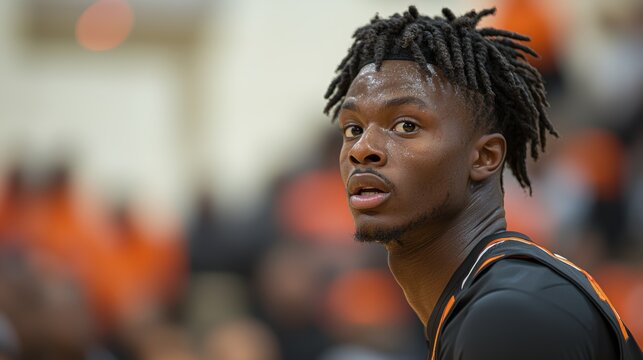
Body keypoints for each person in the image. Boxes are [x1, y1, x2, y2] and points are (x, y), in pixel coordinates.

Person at [324, 6, 641, 360]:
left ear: (485, 157)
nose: (362, 149)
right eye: (353, 129)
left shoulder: (507, 317)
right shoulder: (492, 298)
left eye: (406, 126)